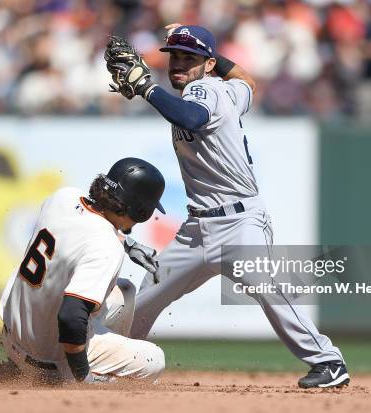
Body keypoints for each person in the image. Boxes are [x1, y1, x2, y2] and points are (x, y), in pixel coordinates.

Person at [104, 25, 350, 388]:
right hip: (195, 231)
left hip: (240, 222)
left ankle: (328, 361)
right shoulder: (232, 90)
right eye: (175, 56)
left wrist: (147, 86)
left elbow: (191, 118)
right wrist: (209, 55)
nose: (178, 64)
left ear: (206, 66)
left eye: (190, 58)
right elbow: (247, 80)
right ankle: (114, 364)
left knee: (268, 288)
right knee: (145, 300)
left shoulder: (206, 90)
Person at [0, 158, 166, 383]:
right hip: (46, 362)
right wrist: (82, 375)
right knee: (154, 360)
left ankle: (17, 367)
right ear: (140, 211)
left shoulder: (64, 197)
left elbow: (77, 230)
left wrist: (127, 243)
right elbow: (70, 316)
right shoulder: (106, 246)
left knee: (124, 291)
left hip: (12, 339)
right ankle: (77, 375)